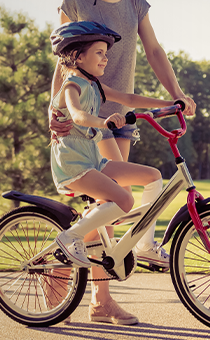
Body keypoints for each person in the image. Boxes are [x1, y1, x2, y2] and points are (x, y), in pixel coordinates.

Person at [48, 0, 198, 269]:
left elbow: (155, 50)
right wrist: (53, 113)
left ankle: (98, 287)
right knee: (117, 200)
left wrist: (175, 93)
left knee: (116, 204)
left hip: (119, 113)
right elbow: (63, 63)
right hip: (88, 118)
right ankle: (72, 269)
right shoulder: (75, 2)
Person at [47, 21, 178, 326]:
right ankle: (69, 238)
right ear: (78, 57)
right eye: (99, 53)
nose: (106, 59)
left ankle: (145, 245)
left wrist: (172, 104)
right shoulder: (72, 84)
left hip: (94, 161)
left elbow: (130, 100)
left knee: (153, 176)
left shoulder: (94, 84)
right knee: (123, 201)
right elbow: (78, 114)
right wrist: (101, 122)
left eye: (105, 53)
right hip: (74, 165)